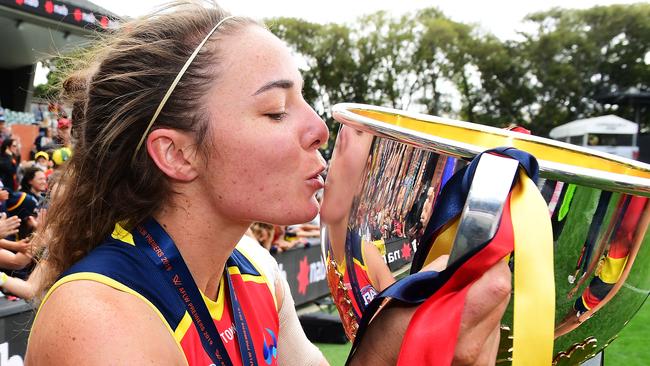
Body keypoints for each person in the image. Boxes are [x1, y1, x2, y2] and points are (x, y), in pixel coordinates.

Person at [26, 3, 510, 366]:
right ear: (177, 153)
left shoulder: (253, 270)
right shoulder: (98, 317)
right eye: (276, 110)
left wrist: (393, 340)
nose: (319, 129)